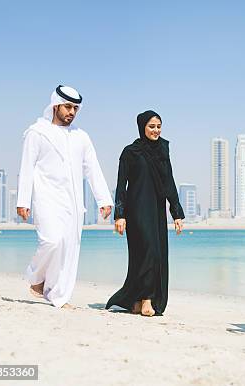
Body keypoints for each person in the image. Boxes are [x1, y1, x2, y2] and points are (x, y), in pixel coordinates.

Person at [17, 85, 113, 309]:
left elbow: (93, 168)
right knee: (52, 241)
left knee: (69, 249)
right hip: (46, 198)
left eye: (76, 108)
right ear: (55, 105)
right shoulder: (37, 133)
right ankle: (35, 278)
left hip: (73, 202)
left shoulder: (81, 136)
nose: (72, 112)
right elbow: (27, 167)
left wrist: (104, 199)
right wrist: (23, 201)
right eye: (68, 107)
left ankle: (58, 296)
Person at [106, 110, 184, 317]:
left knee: (156, 255)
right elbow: (121, 185)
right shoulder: (131, 152)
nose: (156, 130)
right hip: (136, 209)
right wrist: (119, 215)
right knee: (146, 251)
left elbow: (169, 181)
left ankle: (136, 300)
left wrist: (176, 213)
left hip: (157, 210)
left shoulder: (163, 149)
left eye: (159, 126)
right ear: (142, 127)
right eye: (152, 126)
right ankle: (147, 299)